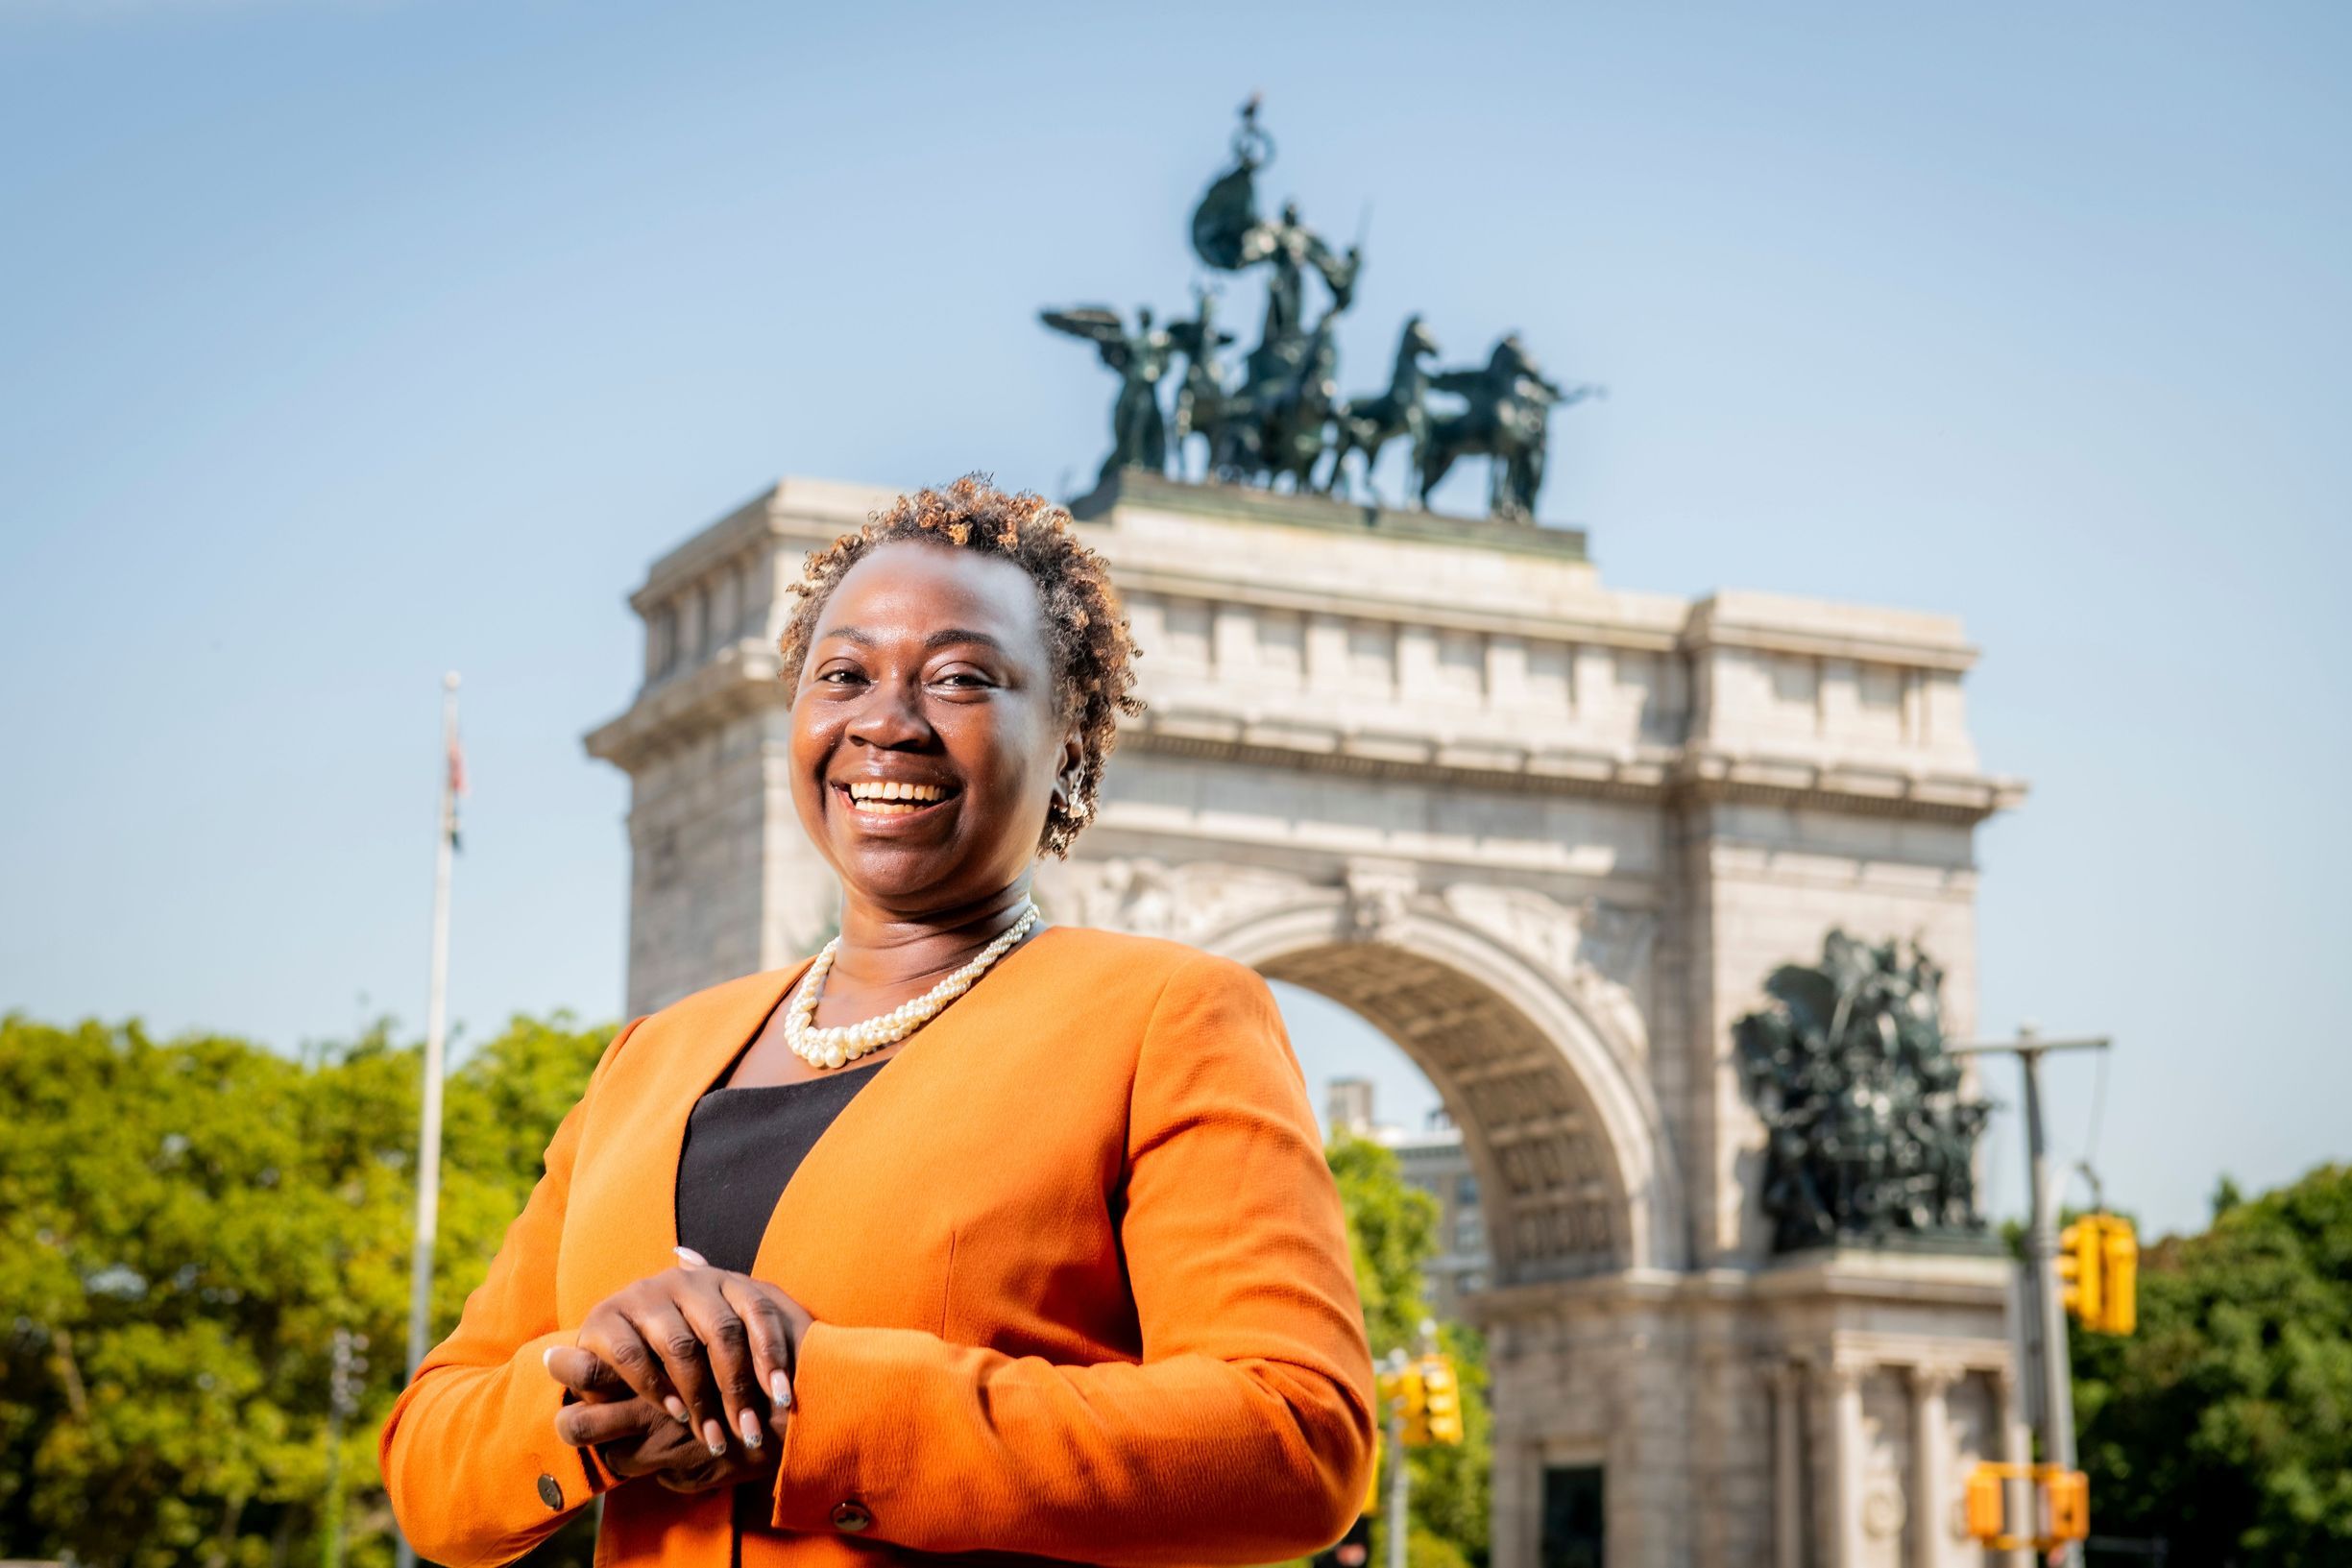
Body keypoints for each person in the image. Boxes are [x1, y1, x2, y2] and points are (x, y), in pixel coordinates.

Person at [379, 476, 1376, 1567]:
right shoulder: (649, 1058)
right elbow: (431, 1463)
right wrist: (595, 1393)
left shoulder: (1167, 1019)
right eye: (841, 674)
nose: (886, 723)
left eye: (959, 679)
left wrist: (825, 1404)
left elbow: (1295, 1437)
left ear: (1072, 744)